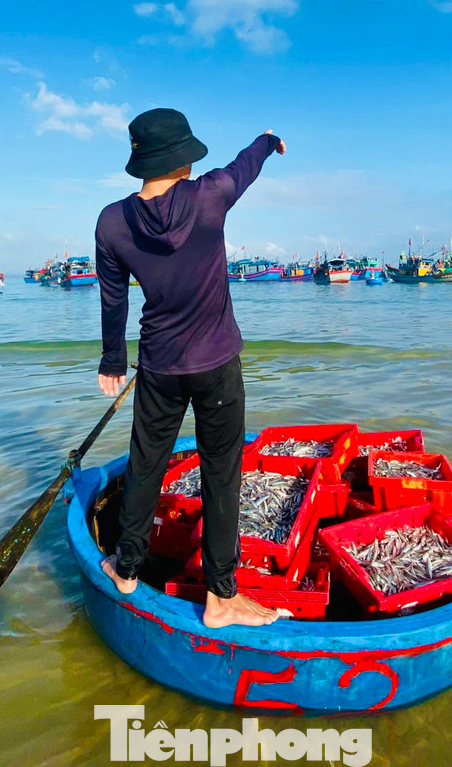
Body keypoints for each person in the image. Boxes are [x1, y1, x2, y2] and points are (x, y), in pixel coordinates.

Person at [94, 108, 287, 628]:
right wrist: (268, 140)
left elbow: (114, 300)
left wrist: (114, 359)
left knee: (146, 463)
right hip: (217, 363)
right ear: (184, 159)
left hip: (159, 363)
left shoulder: (112, 221)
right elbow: (246, 163)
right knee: (221, 473)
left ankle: (127, 566)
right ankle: (221, 597)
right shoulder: (210, 196)